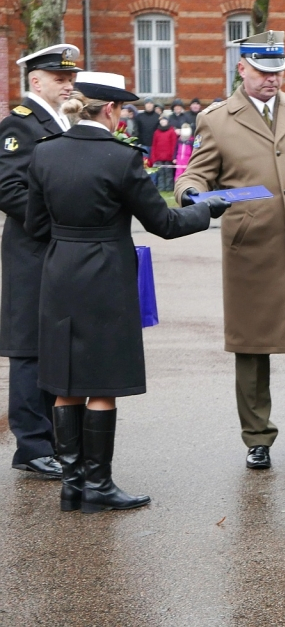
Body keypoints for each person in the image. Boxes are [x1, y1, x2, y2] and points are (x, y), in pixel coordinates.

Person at [25, 72, 228, 513]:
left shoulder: (44, 153)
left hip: (59, 273)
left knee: (65, 382)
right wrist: (208, 209)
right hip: (105, 275)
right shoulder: (121, 158)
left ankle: (72, 486)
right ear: (112, 111)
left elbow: (36, 225)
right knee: (101, 382)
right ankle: (98, 485)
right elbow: (166, 224)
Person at [174, 30, 285, 470]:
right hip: (251, 247)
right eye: (263, 71)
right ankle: (257, 436)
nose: (272, 79)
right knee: (252, 347)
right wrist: (190, 196)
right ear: (242, 68)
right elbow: (194, 175)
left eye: (278, 71)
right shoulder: (217, 119)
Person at [0, 44, 81, 480]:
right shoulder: (19, 124)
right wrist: (62, 223)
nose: (69, 83)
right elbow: (10, 192)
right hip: (32, 253)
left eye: (70, 77)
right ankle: (31, 445)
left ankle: (54, 438)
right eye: (59, 77)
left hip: (57, 253)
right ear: (36, 81)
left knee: (54, 346)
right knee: (30, 350)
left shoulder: (64, 122)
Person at [149, 117, 178, 191]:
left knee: (168, 174)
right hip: (159, 157)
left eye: (164, 121)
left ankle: (169, 188)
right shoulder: (156, 132)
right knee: (160, 174)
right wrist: (154, 157)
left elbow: (174, 144)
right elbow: (154, 145)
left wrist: (173, 157)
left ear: (167, 122)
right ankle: (161, 188)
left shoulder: (172, 131)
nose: (163, 122)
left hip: (168, 157)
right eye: (161, 121)